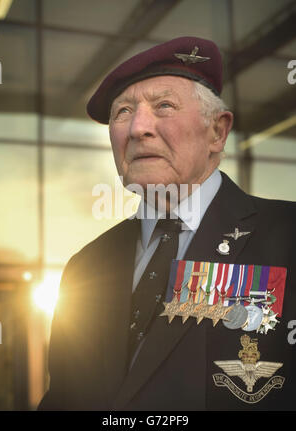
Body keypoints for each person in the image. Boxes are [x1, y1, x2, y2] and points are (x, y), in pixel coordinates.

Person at [38, 37, 296, 411]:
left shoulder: (287, 237)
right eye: (123, 112)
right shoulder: (86, 267)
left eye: (164, 106)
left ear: (217, 132)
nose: (138, 128)